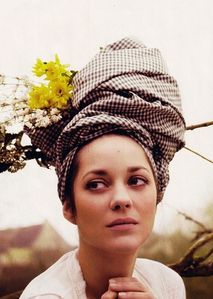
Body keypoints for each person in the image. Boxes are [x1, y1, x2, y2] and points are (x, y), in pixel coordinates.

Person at [20, 37, 186, 299]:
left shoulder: (167, 285)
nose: (121, 199)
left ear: (158, 194)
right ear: (69, 207)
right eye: (96, 184)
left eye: (137, 181)